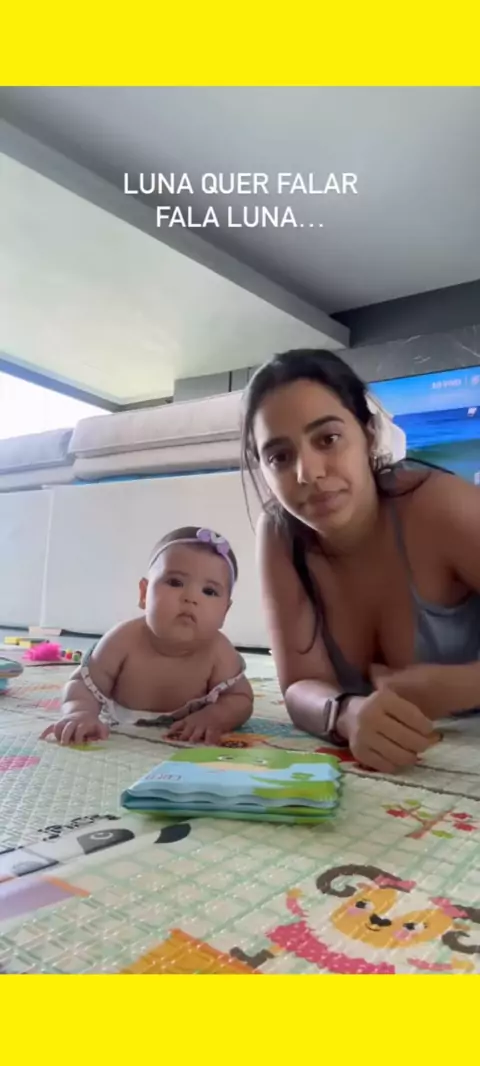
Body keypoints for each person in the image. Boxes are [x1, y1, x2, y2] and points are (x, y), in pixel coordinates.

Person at [242, 348, 480, 774]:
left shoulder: (439, 506)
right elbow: (298, 685)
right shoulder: (280, 533)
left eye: (328, 439)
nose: (308, 473)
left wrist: (455, 686)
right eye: (280, 456)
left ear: (368, 434)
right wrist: (346, 713)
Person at [41, 526, 253, 746]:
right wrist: (80, 712)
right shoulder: (122, 640)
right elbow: (82, 684)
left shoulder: (220, 652)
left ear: (225, 612)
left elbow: (240, 699)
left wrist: (215, 716)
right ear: (144, 593)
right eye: (175, 582)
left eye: (209, 591)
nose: (191, 598)